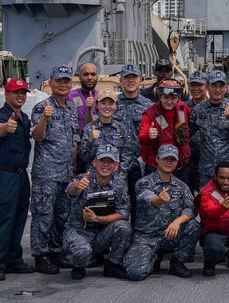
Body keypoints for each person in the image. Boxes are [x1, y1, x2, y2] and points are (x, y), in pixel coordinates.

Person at [0, 78, 35, 281]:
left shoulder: (24, 117)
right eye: (16, 92)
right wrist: (6, 127)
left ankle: (13, 259)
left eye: (23, 92)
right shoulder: (1, 115)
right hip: (3, 176)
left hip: (21, 175)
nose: (20, 96)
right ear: (6, 94)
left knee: (17, 219)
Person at [30, 65, 80, 274]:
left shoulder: (71, 109)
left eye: (66, 81)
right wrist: (44, 119)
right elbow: (37, 136)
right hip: (46, 173)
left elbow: (74, 140)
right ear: (50, 82)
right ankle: (41, 255)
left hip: (66, 173)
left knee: (62, 215)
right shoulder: (43, 107)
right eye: (58, 81)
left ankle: (56, 250)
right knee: (43, 215)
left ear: (71, 84)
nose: (62, 84)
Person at [124, 145, 200, 280]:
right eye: (165, 158)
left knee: (193, 226)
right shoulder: (144, 182)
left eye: (172, 159)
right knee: (135, 274)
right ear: (157, 159)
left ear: (176, 162)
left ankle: (177, 262)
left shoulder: (181, 186)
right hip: (146, 237)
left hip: (169, 234)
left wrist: (177, 221)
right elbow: (145, 197)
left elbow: (191, 209)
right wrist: (158, 200)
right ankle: (153, 258)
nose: (169, 162)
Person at [62, 145, 132, 280]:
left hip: (101, 234)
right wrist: (77, 186)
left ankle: (113, 264)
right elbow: (71, 191)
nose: (105, 165)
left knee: (123, 227)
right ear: (95, 162)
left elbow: (123, 212)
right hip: (78, 231)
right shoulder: (84, 179)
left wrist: (97, 218)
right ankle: (79, 265)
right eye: (102, 161)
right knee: (83, 251)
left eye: (110, 162)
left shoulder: (119, 184)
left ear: (116, 165)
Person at [189, 70, 229, 186]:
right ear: (207, 87)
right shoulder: (198, 109)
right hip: (206, 169)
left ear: (226, 88)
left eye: (221, 86)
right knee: (207, 202)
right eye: (214, 85)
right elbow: (186, 133)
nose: (217, 90)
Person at [115, 62, 153, 214]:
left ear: (141, 80)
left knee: (140, 205)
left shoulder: (149, 106)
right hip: (117, 164)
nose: (130, 81)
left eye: (134, 77)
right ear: (120, 80)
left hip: (140, 164)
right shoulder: (111, 103)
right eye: (127, 78)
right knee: (118, 204)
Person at [77, 88, 138, 178]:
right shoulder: (89, 128)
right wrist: (91, 141)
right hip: (93, 179)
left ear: (116, 106)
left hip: (117, 179)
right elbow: (84, 158)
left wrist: (119, 176)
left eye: (111, 103)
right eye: (103, 103)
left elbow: (128, 156)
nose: (107, 107)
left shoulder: (122, 129)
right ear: (96, 105)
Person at [138, 79, 191, 179]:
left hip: (180, 168)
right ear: (159, 96)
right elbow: (141, 138)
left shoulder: (183, 108)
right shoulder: (150, 114)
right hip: (157, 168)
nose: (169, 102)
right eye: (166, 97)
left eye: (173, 98)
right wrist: (148, 135)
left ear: (179, 97)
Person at [185, 70, 209, 191]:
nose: (196, 88)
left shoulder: (214, 107)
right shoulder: (182, 107)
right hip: (188, 163)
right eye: (193, 85)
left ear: (206, 86)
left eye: (199, 85)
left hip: (208, 163)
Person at [67, 62, 99, 132]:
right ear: (79, 77)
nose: (89, 77)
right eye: (86, 74)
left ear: (97, 77)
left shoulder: (102, 97)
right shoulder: (69, 96)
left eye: (93, 74)